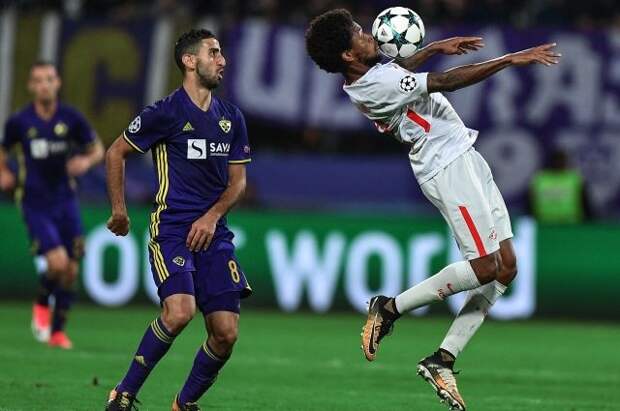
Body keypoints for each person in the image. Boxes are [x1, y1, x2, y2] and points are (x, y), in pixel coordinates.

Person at [305, 9, 560, 411]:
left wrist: (435, 48)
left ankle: (442, 359)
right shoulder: (376, 85)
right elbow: (444, 81)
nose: (368, 34)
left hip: (463, 154)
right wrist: (509, 59)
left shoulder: (366, 78)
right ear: (347, 56)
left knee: (506, 267)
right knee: (485, 268)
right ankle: (389, 308)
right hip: (445, 166)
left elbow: (398, 72)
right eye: (359, 33)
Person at [104, 29, 252, 411]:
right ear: (189, 61)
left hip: (214, 233)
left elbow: (238, 183)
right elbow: (116, 152)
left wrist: (212, 216)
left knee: (226, 334)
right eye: (213, 53)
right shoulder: (164, 112)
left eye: (221, 53)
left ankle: (183, 404)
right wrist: (119, 210)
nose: (222, 60)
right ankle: (122, 394)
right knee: (180, 312)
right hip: (172, 229)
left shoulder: (231, 117)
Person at [0, 61, 104, 349]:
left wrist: (86, 160)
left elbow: (97, 149)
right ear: (31, 86)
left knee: (71, 270)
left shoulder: (71, 118)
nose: (44, 85)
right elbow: (2, 150)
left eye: (49, 79)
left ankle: (57, 332)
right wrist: (4, 172)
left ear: (57, 83)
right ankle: (42, 301)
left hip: (65, 200)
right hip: (34, 201)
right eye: (38, 80)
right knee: (57, 263)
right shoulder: (20, 122)